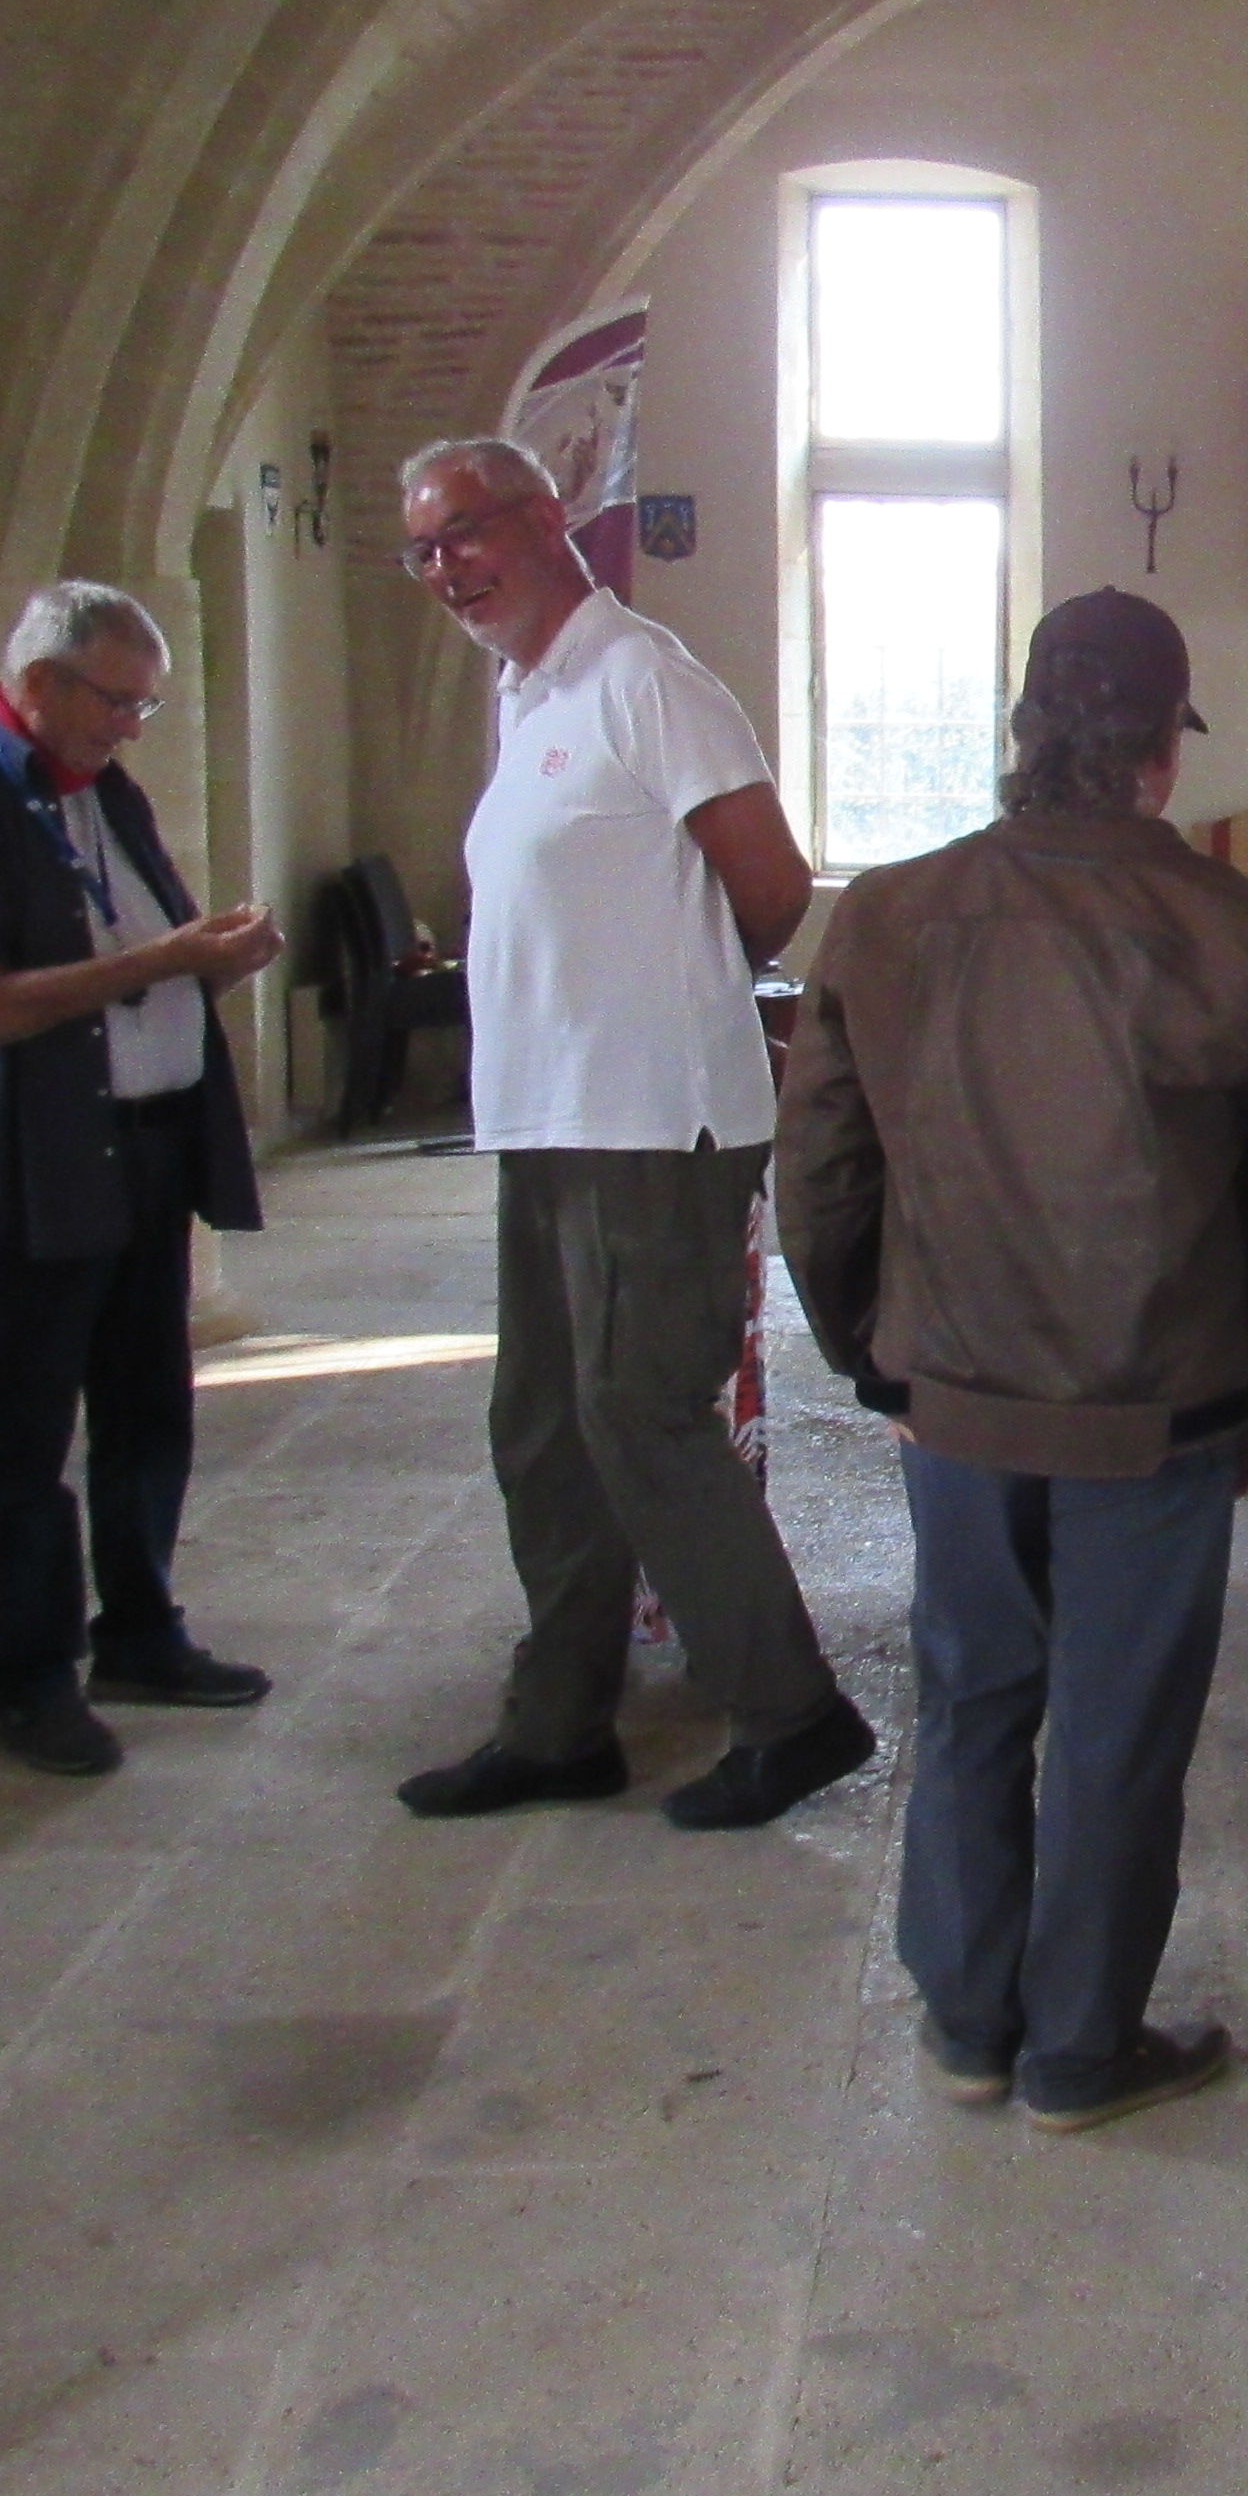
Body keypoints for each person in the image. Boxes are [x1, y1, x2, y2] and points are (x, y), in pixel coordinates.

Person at [774, 587, 1248, 2131]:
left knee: (972, 1695)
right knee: (1118, 1724)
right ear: (1165, 750)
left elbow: (822, 1171)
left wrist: (874, 1362)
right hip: (1157, 1408)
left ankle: (971, 2019)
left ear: (1025, 730)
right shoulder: (1242, 935)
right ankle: (1079, 2049)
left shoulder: (889, 914)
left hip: (959, 1398)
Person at [388, 435, 876, 1828]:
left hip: (653, 1120)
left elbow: (770, 892)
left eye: (466, 534)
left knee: (642, 1413)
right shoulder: (525, 693)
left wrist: (671, 1004)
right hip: (546, 1119)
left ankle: (794, 1715)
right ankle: (559, 1722)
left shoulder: (646, 679)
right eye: (422, 550)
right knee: (541, 1423)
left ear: (548, 520)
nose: (446, 570)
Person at [0, 583, 290, 1776]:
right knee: (21, 1426)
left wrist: (205, 962)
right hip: (36, 1155)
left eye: (145, 706)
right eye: (116, 700)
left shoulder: (103, 791)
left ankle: (142, 1631)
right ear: (43, 679)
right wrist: (167, 958)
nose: (129, 727)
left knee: (146, 1402)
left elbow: (128, 966)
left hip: (144, 1144)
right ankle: (28, 1676)